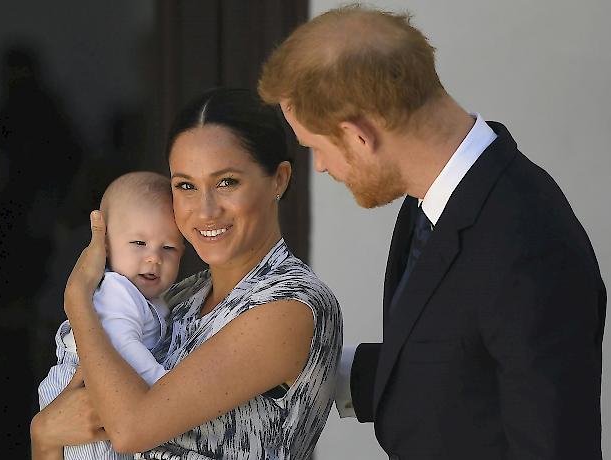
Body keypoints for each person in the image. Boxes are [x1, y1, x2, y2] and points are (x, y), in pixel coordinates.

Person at [258, 5, 606, 460]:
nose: (320, 166)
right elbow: (456, 365)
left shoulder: (530, 245)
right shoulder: (437, 198)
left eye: (316, 148)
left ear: (359, 135)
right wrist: (302, 366)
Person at [30, 87, 343, 460]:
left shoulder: (289, 304)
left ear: (279, 179)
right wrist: (44, 435)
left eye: (227, 182)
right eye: (186, 186)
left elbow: (131, 429)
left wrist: (78, 301)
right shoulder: (178, 298)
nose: (205, 210)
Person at [37, 171, 184, 459]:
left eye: (168, 248)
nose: (154, 257)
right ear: (105, 246)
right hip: (82, 392)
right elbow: (123, 346)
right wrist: (165, 389)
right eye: (139, 244)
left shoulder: (155, 299)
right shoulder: (118, 290)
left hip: (103, 393)